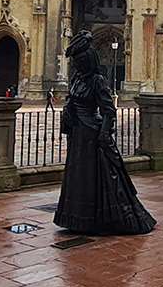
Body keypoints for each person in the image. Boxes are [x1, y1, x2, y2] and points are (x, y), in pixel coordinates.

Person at [53, 31, 155, 235]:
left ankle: (101, 219)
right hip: (78, 134)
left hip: (92, 134)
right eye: (76, 61)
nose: (78, 64)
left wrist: (104, 133)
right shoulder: (77, 79)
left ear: (88, 61)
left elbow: (108, 110)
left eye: (81, 61)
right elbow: (71, 101)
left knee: (99, 177)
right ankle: (78, 218)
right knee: (80, 176)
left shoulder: (97, 81)